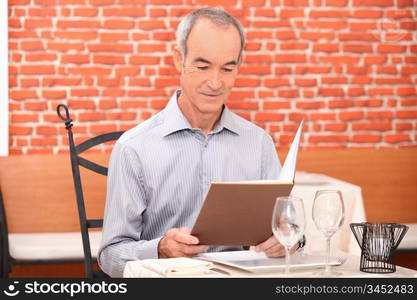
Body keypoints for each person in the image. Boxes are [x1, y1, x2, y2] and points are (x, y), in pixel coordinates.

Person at [98, 7, 302, 278]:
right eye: (202, 66)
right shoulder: (133, 148)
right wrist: (160, 248)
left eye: (227, 68)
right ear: (178, 59)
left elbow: (290, 229)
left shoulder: (259, 143)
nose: (215, 82)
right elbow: (110, 255)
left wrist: (288, 239)